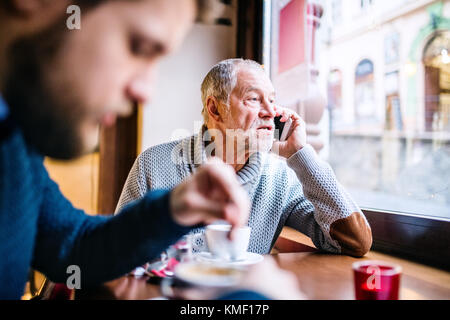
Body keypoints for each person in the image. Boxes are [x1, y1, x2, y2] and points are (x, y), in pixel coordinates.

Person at [0, 0, 304, 300]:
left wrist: (174, 210)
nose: (145, 91)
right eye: (138, 47)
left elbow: (74, 248)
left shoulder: (14, 144)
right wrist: (252, 299)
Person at [117, 58, 373, 258]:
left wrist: (300, 154)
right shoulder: (153, 165)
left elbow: (354, 242)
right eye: (253, 99)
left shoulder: (279, 178)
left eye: (272, 100)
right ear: (215, 109)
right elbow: (119, 253)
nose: (271, 112)